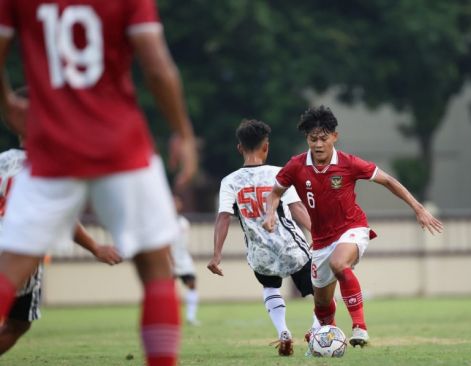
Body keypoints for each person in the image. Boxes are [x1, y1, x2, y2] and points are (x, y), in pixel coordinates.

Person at [0, 0, 197, 364]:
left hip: (51, 147)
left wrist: (7, 102)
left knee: (9, 267)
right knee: (155, 266)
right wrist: (181, 132)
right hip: (121, 145)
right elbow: (156, 66)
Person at [262, 106, 443, 348]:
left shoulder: (349, 163)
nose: (318, 144)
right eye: (312, 139)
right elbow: (274, 193)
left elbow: (388, 180)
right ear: (307, 138)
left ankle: (360, 327)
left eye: (323, 138)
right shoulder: (296, 166)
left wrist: (418, 208)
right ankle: (328, 336)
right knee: (322, 306)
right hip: (321, 241)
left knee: (339, 263)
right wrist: (270, 212)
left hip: (352, 229)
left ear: (334, 137)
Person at [208, 119, 319, 356]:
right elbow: (298, 208)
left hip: (259, 254)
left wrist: (217, 255)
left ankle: (283, 331)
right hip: (291, 248)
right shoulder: (279, 174)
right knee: (319, 290)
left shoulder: (229, 182)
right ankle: (317, 331)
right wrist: (319, 235)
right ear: (266, 146)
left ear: (240, 148)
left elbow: (224, 218)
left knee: (270, 287)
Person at [170, 195, 200, 325]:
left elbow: (185, 242)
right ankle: (170, 317)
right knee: (169, 289)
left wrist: (189, 255)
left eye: (177, 202)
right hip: (168, 259)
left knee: (192, 284)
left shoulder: (183, 222)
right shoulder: (163, 222)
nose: (175, 205)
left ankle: (190, 317)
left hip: (183, 259)